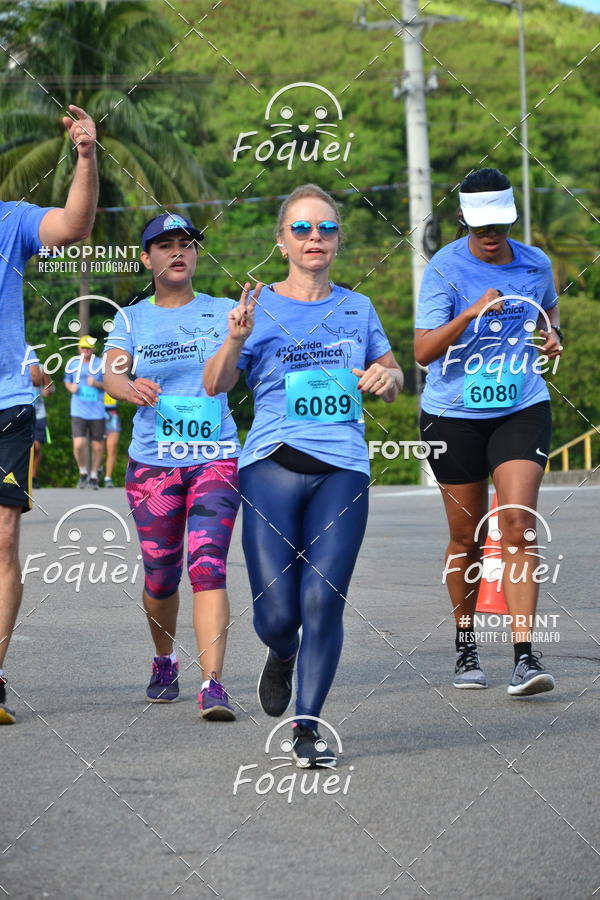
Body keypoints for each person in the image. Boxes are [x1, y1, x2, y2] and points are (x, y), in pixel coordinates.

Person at [204, 184, 403, 766]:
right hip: (271, 467)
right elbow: (216, 385)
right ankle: (281, 653)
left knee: (323, 600)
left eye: (326, 228)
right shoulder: (256, 306)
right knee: (278, 615)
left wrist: (384, 381)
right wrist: (235, 338)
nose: (315, 237)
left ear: (338, 240)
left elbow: (391, 380)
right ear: (282, 241)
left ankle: (308, 726)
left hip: (342, 469)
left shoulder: (357, 309)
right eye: (302, 229)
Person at [414, 167, 563, 697]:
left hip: (520, 403)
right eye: (480, 227)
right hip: (453, 412)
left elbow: (547, 312)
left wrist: (551, 336)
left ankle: (525, 656)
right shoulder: (444, 270)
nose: (491, 234)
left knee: (518, 523)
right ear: (463, 221)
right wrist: (471, 312)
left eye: (500, 224)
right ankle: (466, 645)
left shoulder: (536, 263)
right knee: (466, 536)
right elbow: (424, 351)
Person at [104, 213, 244, 721]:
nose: (177, 252)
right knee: (161, 577)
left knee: (207, 566)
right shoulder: (132, 318)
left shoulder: (226, 310)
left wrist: (234, 340)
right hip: (153, 466)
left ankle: (213, 684)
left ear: (196, 255)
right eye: (165, 245)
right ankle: (165, 659)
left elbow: (236, 376)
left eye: (186, 244)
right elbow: (113, 373)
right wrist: (128, 387)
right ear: (148, 259)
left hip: (215, 458)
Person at [0, 106, 98, 725]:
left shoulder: (9, 222)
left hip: (6, 404)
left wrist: (87, 157)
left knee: (4, 537)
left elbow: (72, 225)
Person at [64, 335, 105, 489]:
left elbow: (109, 385)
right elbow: (66, 380)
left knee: (97, 446)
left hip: (97, 410)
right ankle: (82, 472)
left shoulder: (100, 364)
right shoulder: (73, 363)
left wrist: (97, 383)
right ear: (79, 348)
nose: (85, 350)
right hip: (78, 409)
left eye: (88, 347)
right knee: (79, 443)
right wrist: (70, 387)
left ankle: (94, 475)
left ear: (93, 349)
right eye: (83, 347)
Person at [27, 347, 54, 490]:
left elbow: (50, 388)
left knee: (36, 446)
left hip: (39, 413)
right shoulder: (18, 369)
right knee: (25, 447)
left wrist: (47, 390)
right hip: (22, 413)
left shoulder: (42, 368)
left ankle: (33, 476)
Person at [103, 392, 121, 487]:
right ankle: (96, 470)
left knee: (112, 446)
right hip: (95, 414)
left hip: (112, 414)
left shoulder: (115, 376)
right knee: (97, 448)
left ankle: (108, 478)